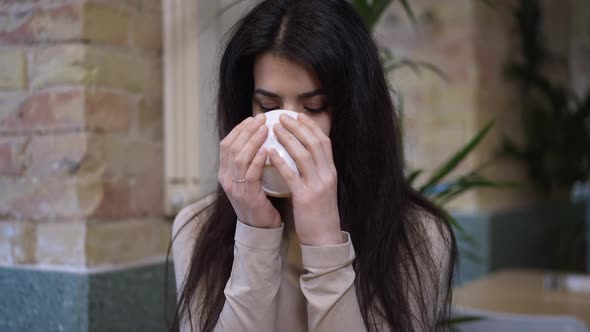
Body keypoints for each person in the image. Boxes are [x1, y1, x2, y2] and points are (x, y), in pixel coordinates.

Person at [171, 0, 457, 331]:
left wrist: (324, 243)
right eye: (268, 105)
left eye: (315, 107)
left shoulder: (420, 235)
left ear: (356, 115)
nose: (288, 130)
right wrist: (255, 236)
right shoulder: (195, 228)